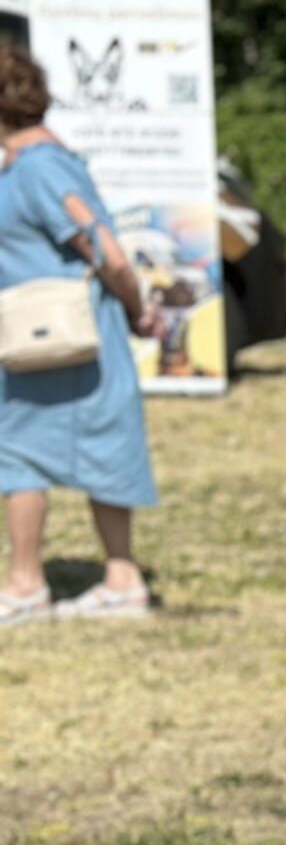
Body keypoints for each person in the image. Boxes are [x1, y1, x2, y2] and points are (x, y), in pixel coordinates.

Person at [0, 44, 162, 626]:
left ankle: (25, 585)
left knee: (17, 452)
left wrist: (136, 306)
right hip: (52, 339)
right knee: (93, 442)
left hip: (62, 335)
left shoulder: (39, 166)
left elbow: (109, 253)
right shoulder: (35, 162)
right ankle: (119, 578)